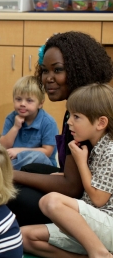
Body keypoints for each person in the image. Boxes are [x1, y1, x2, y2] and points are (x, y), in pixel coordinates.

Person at [8, 31, 113, 226]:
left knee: (15, 195)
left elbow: (72, 187)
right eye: (45, 70)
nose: (48, 78)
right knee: (30, 169)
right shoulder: (77, 108)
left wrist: (8, 174)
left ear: (78, 70)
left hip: (91, 203)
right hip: (81, 185)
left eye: (57, 70)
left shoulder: (87, 117)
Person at [22, 84, 113, 258]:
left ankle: (101, 257)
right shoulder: (95, 146)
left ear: (101, 122)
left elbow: (99, 199)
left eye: (76, 117)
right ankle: (93, 257)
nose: (69, 121)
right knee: (24, 237)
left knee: (51, 201)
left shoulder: (110, 150)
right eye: (70, 115)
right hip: (92, 227)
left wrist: (81, 162)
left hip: (108, 224)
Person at [0, 75, 59, 170]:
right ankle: (9, 172)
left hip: (41, 165)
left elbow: (47, 151)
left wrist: (19, 151)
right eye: (18, 99)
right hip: (15, 160)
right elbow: (4, 146)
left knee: (39, 157)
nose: (22, 104)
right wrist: (15, 127)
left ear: (40, 103)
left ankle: (5, 171)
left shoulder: (49, 122)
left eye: (29, 100)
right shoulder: (11, 118)